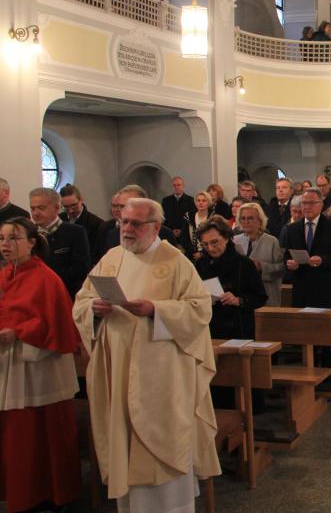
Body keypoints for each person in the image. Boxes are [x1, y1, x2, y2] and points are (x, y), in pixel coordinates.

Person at [73, 198, 220, 509]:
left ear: (155, 227)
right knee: (125, 442)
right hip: (118, 370)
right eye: (123, 222)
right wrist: (93, 309)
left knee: (163, 445)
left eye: (136, 224)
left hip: (161, 376)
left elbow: (199, 309)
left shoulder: (176, 262)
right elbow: (82, 300)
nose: (127, 229)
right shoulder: (112, 258)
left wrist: (155, 309)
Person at [0, 217, 82, 513]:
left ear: (32, 242)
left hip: (40, 367)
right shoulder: (5, 275)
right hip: (11, 366)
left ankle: (51, 496)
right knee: (17, 437)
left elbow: (55, 323)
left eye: (13, 238)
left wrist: (18, 332)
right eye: (2, 238)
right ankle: (21, 493)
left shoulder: (46, 278)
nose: (5, 244)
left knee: (43, 435)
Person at [195, 216, 267, 340]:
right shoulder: (200, 264)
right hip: (209, 327)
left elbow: (260, 297)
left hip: (238, 328)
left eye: (214, 242)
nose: (210, 248)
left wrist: (238, 300)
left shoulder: (244, 264)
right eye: (205, 244)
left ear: (226, 238)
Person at [284, 188, 331, 309]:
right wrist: (290, 263)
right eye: (304, 203)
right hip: (301, 290)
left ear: (321, 205)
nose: (307, 207)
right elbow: (286, 256)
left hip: (325, 290)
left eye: (311, 203)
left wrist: (323, 260)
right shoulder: (291, 229)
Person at [29, 187, 90, 297]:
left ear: (56, 208)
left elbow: (81, 268)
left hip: (65, 293)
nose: (35, 213)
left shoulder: (75, 232)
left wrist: (48, 280)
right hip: (34, 293)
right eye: (33, 208)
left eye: (41, 208)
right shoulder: (28, 234)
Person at [234, 202, 285, 306]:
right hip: (242, 298)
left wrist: (261, 267)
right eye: (243, 218)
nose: (246, 222)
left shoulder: (272, 241)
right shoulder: (234, 241)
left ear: (260, 220)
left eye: (250, 218)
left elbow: (281, 268)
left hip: (267, 296)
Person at [60, 183, 104, 254]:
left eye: (74, 205)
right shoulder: (59, 219)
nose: (70, 211)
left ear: (81, 200)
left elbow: (96, 252)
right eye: (66, 207)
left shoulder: (97, 223)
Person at [185, 190, 212, 260]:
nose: (200, 203)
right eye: (198, 200)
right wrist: (192, 253)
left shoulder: (213, 218)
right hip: (191, 254)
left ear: (208, 203)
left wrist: (202, 253)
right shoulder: (188, 216)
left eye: (204, 201)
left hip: (209, 254)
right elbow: (184, 237)